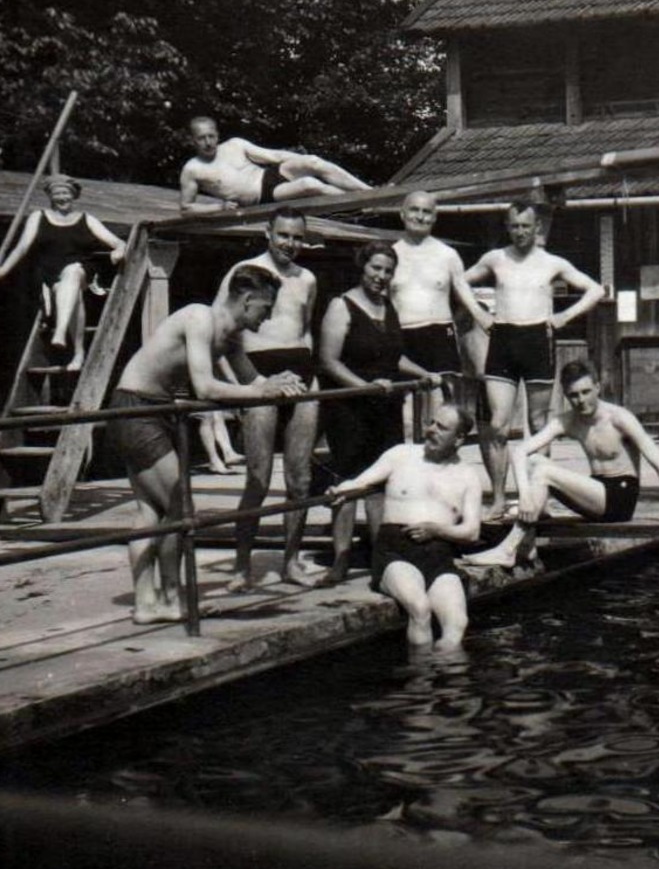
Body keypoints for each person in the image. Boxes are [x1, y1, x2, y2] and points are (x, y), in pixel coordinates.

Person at [106, 266, 303, 625]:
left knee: (151, 512)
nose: (269, 316)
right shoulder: (200, 318)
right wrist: (261, 390)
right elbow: (206, 388)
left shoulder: (231, 337)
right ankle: (169, 598)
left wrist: (278, 381)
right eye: (266, 307)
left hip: (154, 412)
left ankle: (148, 604)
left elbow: (255, 382)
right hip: (135, 409)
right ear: (246, 300)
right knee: (179, 508)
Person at [463, 360, 659, 568]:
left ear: (598, 388)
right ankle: (530, 538)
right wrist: (525, 496)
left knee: (543, 472)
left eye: (586, 392)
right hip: (596, 494)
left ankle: (508, 549)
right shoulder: (569, 420)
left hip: (620, 499)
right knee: (535, 462)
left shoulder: (619, 418)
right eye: (574, 395)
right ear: (565, 395)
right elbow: (520, 451)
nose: (581, 400)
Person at [461, 202, 604, 520]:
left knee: (539, 424)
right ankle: (498, 498)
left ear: (536, 227)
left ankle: (539, 497)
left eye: (526, 226)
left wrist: (565, 315)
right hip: (503, 339)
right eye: (514, 226)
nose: (520, 232)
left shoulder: (552, 262)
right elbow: (459, 280)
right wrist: (479, 314)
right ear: (507, 226)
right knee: (497, 424)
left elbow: (594, 290)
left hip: (538, 339)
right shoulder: (495, 258)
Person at [216, 209, 327, 589]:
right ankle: (241, 566)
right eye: (283, 235)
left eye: (297, 237)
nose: (289, 244)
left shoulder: (307, 279)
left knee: (300, 478)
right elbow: (223, 328)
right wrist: (245, 387)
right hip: (259, 374)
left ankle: (292, 562)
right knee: (258, 478)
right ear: (267, 232)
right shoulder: (244, 269)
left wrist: (311, 382)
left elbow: (306, 331)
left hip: (300, 376)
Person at [317, 241, 439, 583]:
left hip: (385, 406)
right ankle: (340, 559)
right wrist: (363, 387)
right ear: (363, 267)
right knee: (348, 480)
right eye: (376, 268)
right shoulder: (341, 306)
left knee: (382, 481)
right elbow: (328, 359)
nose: (381, 276)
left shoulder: (388, 307)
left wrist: (422, 373)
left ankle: (377, 555)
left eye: (387, 271)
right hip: (349, 407)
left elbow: (392, 357)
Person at [329, 404, 483, 652]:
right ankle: (421, 685)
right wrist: (341, 490)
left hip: (439, 555)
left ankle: (447, 687)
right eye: (431, 422)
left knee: (457, 623)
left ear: (459, 439)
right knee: (420, 608)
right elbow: (361, 481)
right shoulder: (401, 455)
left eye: (441, 427)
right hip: (395, 552)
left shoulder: (467, 475)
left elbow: (472, 532)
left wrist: (437, 530)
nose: (431, 430)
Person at [0, 175, 128, 371]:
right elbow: (22, 247)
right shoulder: (38, 217)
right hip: (50, 274)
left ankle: (60, 332)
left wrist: (118, 252)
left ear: (74, 196)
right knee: (71, 291)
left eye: (66, 193)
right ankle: (78, 353)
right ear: (51, 197)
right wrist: (1, 271)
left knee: (73, 271)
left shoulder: (87, 219)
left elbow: (119, 243)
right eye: (57, 194)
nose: (62, 197)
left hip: (83, 269)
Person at [391, 190, 492, 416]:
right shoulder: (391, 254)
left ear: (435, 217)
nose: (420, 216)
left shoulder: (447, 254)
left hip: (440, 336)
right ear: (402, 214)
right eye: (414, 210)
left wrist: (481, 316)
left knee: (442, 411)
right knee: (407, 414)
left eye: (427, 212)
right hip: (403, 335)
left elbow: (463, 290)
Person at [178, 116, 370, 214]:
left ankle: (370, 191)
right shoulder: (192, 169)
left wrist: (299, 159)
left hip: (269, 175)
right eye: (201, 138)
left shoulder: (235, 144)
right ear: (192, 140)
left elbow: (273, 156)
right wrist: (219, 207)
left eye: (211, 136)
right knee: (309, 184)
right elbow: (186, 208)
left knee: (312, 161)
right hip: (264, 196)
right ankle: (362, 204)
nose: (208, 142)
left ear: (217, 134)